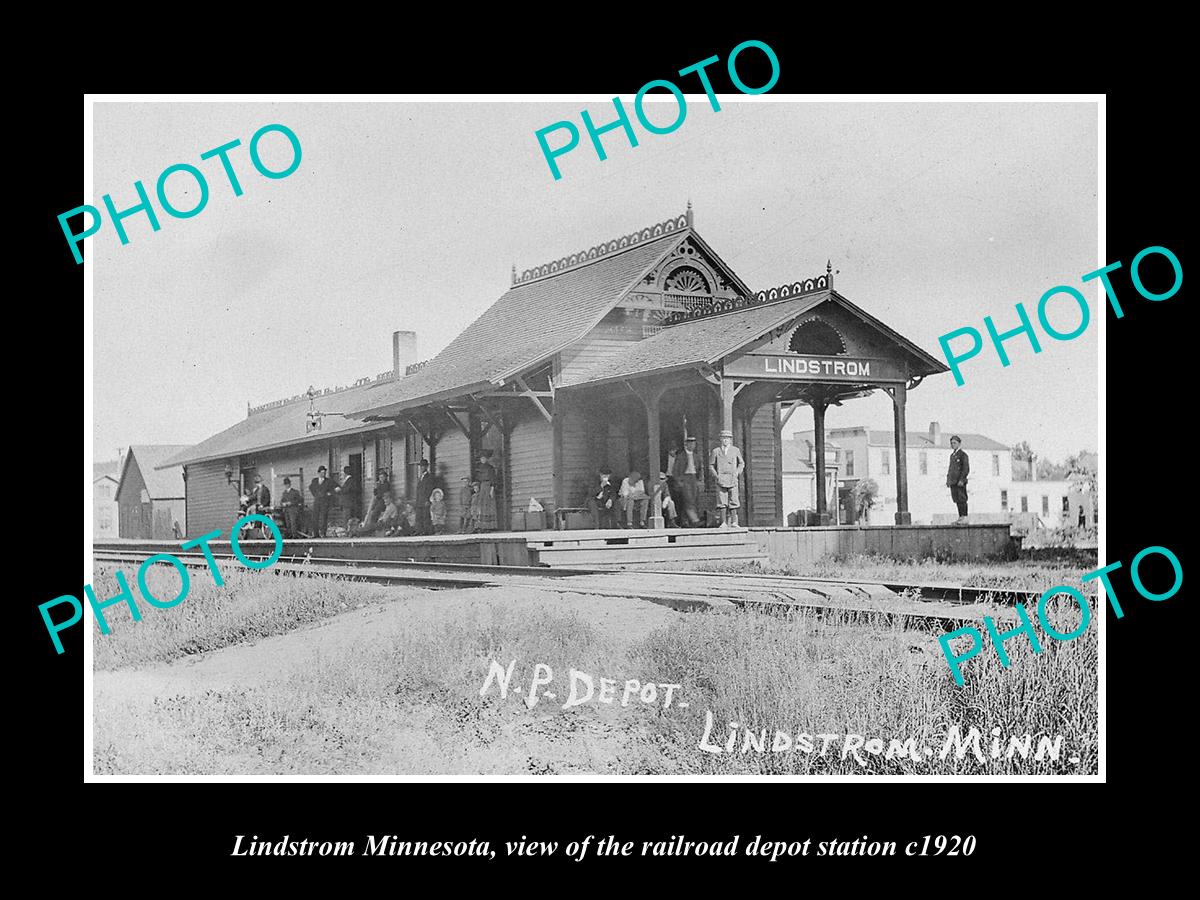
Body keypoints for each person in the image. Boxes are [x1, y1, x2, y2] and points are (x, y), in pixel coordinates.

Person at [710, 429, 746, 528]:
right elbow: (711, 465)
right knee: (722, 501)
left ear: (730, 440)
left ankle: (734, 522)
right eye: (723, 438)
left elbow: (742, 463)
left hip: (732, 479)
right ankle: (723, 522)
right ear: (720, 439)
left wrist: (737, 473)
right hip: (721, 479)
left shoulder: (735, 450)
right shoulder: (716, 451)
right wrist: (716, 476)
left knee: (734, 499)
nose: (725, 440)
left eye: (728, 438)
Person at [670, 436, 703, 526]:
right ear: (686, 445)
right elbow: (675, 471)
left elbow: (700, 469)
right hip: (685, 478)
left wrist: (699, 480)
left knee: (694, 499)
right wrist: (679, 481)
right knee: (688, 499)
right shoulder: (681, 456)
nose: (692, 445)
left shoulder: (696, 456)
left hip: (693, 478)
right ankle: (694, 520)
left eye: (694, 444)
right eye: (690, 443)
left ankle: (687, 521)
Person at [471, 450, 498, 532]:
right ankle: (481, 526)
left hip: (488, 487)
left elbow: (493, 479)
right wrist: (476, 488)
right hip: (481, 487)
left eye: (484, 458)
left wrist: (492, 489)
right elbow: (476, 479)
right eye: (481, 458)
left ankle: (489, 526)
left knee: (488, 506)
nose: (483, 459)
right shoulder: (478, 468)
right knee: (481, 506)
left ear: (487, 459)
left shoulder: (490, 468)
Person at [946, 435, 970, 522]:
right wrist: (948, 480)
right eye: (951, 443)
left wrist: (962, 480)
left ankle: (964, 516)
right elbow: (951, 469)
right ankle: (960, 517)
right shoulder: (952, 456)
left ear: (959, 443)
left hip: (960, 482)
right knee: (956, 499)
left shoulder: (963, 455)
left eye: (954, 443)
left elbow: (966, 468)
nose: (953, 445)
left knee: (962, 499)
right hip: (953, 482)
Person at [309, 465, 336, 537]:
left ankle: (323, 533)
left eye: (325, 472)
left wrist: (330, 493)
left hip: (325, 502)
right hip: (317, 501)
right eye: (322, 472)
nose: (324, 474)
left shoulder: (329, 481)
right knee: (315, 517)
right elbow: (311, 488)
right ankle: (316, 534)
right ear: (318, 473)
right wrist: (315, 495)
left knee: (324, 517)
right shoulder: (314, 481)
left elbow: (337, 488)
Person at [415, 458, 435, 535]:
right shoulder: (420, 477)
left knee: (426, 516)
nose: (422, 468)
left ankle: (426, 531)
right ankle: (419, 530)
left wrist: (428, 500)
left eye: (423, 466)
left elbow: (430, 489)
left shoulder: (429, 477)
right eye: (421, 466)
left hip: (425, 500)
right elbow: (418, 490)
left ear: (427, 467)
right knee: (419, 516)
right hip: (419, 500)